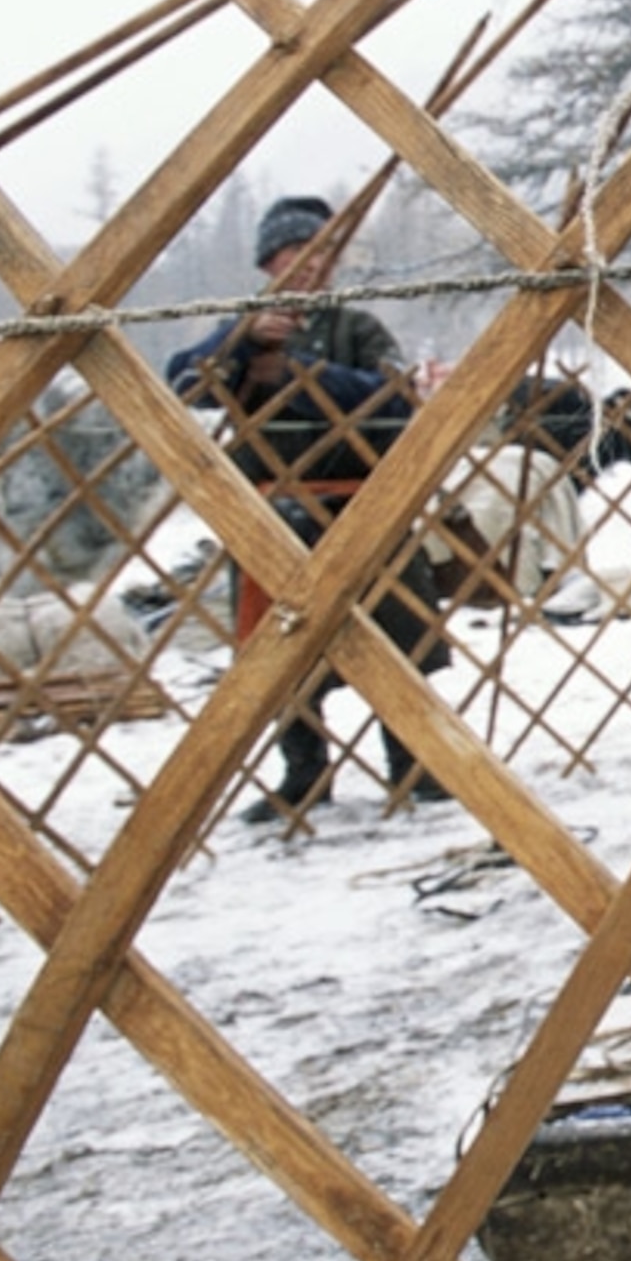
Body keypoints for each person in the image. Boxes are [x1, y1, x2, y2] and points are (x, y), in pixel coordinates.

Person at [167, 193, 453, 822]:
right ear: (270, 260)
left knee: (393, 638)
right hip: (274, 519)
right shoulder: (243, 326)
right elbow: (181, 384)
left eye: (322, 252)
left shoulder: (355, 326)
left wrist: (299, 375)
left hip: (361, 509)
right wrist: (240, 342)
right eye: (297, 252)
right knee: (283, 656)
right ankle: (304, 776)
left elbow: (396, 398)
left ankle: (415, 766)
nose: (310, 264)